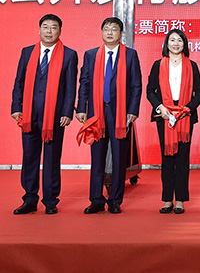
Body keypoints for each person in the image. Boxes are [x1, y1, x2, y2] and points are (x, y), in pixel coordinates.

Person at [11, 14, 78, 215]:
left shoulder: (69, 55)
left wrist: (67, 111)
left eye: (53, 27)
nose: (49, 31)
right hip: (29, 115)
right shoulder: (27, 52)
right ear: (39, 29)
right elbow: (19, 82)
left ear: (60, 31)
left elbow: (70, 87)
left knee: (51, 158)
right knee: (29, 158)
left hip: (55, 117)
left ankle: (50, 200)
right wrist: (16, 107)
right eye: (45, 27)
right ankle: (29, 199)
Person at [76, 17, 142, 214]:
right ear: (102, 32)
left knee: (120, 157)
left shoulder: (130, 55)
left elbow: (136, 85)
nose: (110, 32)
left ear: (121, 33)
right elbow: (84, 83)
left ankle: (115, 200)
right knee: (97, 157)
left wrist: (133, 110)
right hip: (96, 112)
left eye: (114, 29)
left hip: (120, 113)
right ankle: (96, 199)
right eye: (106, 29)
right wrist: (81, 108)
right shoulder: (91, 55)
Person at [147, 29, 200, 214]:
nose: (176, 43)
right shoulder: (158, 65)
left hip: (185, 115)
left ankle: (180, 200)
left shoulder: (192, 65)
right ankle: (166, 200)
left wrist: (188, 109)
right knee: (167, 159)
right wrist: (160, 108)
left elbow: (199, 92)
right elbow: (150, 91)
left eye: (179, 40)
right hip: (164, 115)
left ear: (184, 44)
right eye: (172, 40)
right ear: (166, 44)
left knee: (182, 159)